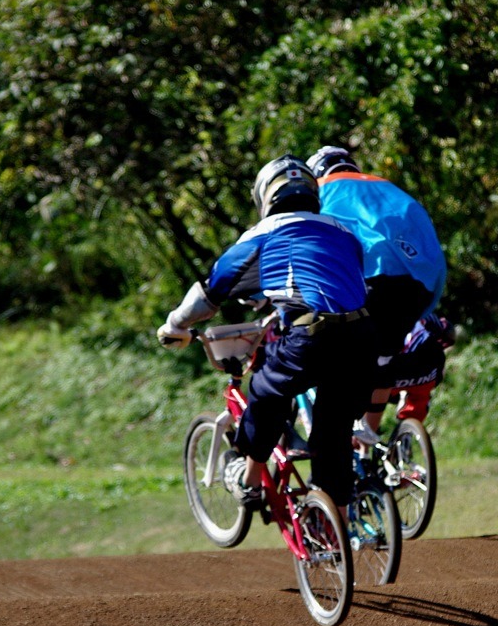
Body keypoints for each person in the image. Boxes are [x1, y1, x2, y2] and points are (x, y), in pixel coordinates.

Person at [156, 155, 377, 514]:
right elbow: (325, 276)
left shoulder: (263, 233)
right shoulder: (343, 229)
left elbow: (211, 292)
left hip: (312, 335)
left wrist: (175, 325)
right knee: (331, 433)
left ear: (265, 197)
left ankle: (250, 478)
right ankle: (332, 520)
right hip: (364, 336)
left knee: (264, 391)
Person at [306, 146, 448, 439]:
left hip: (373, 279)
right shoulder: (385, 187)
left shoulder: (320, 192)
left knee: (335, 358)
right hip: (420, 283)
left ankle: (337, 449)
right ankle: (368, 440)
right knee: (383, 357)